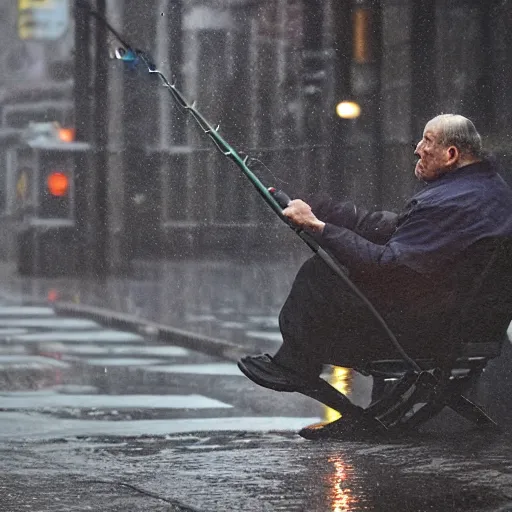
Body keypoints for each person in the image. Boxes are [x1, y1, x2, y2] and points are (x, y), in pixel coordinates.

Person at [239, 114, 512, 391]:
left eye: (427, 141)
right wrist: (325, 210)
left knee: (322, 272)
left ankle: (296, 366)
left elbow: (384, 265)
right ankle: (314, 372)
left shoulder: (448, 202)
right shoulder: (487, 189)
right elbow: (398, 228)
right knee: (340, 268)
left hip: (427, 333)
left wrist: (318, 227)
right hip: (470, 324)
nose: (417, 148)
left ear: (451, 154)